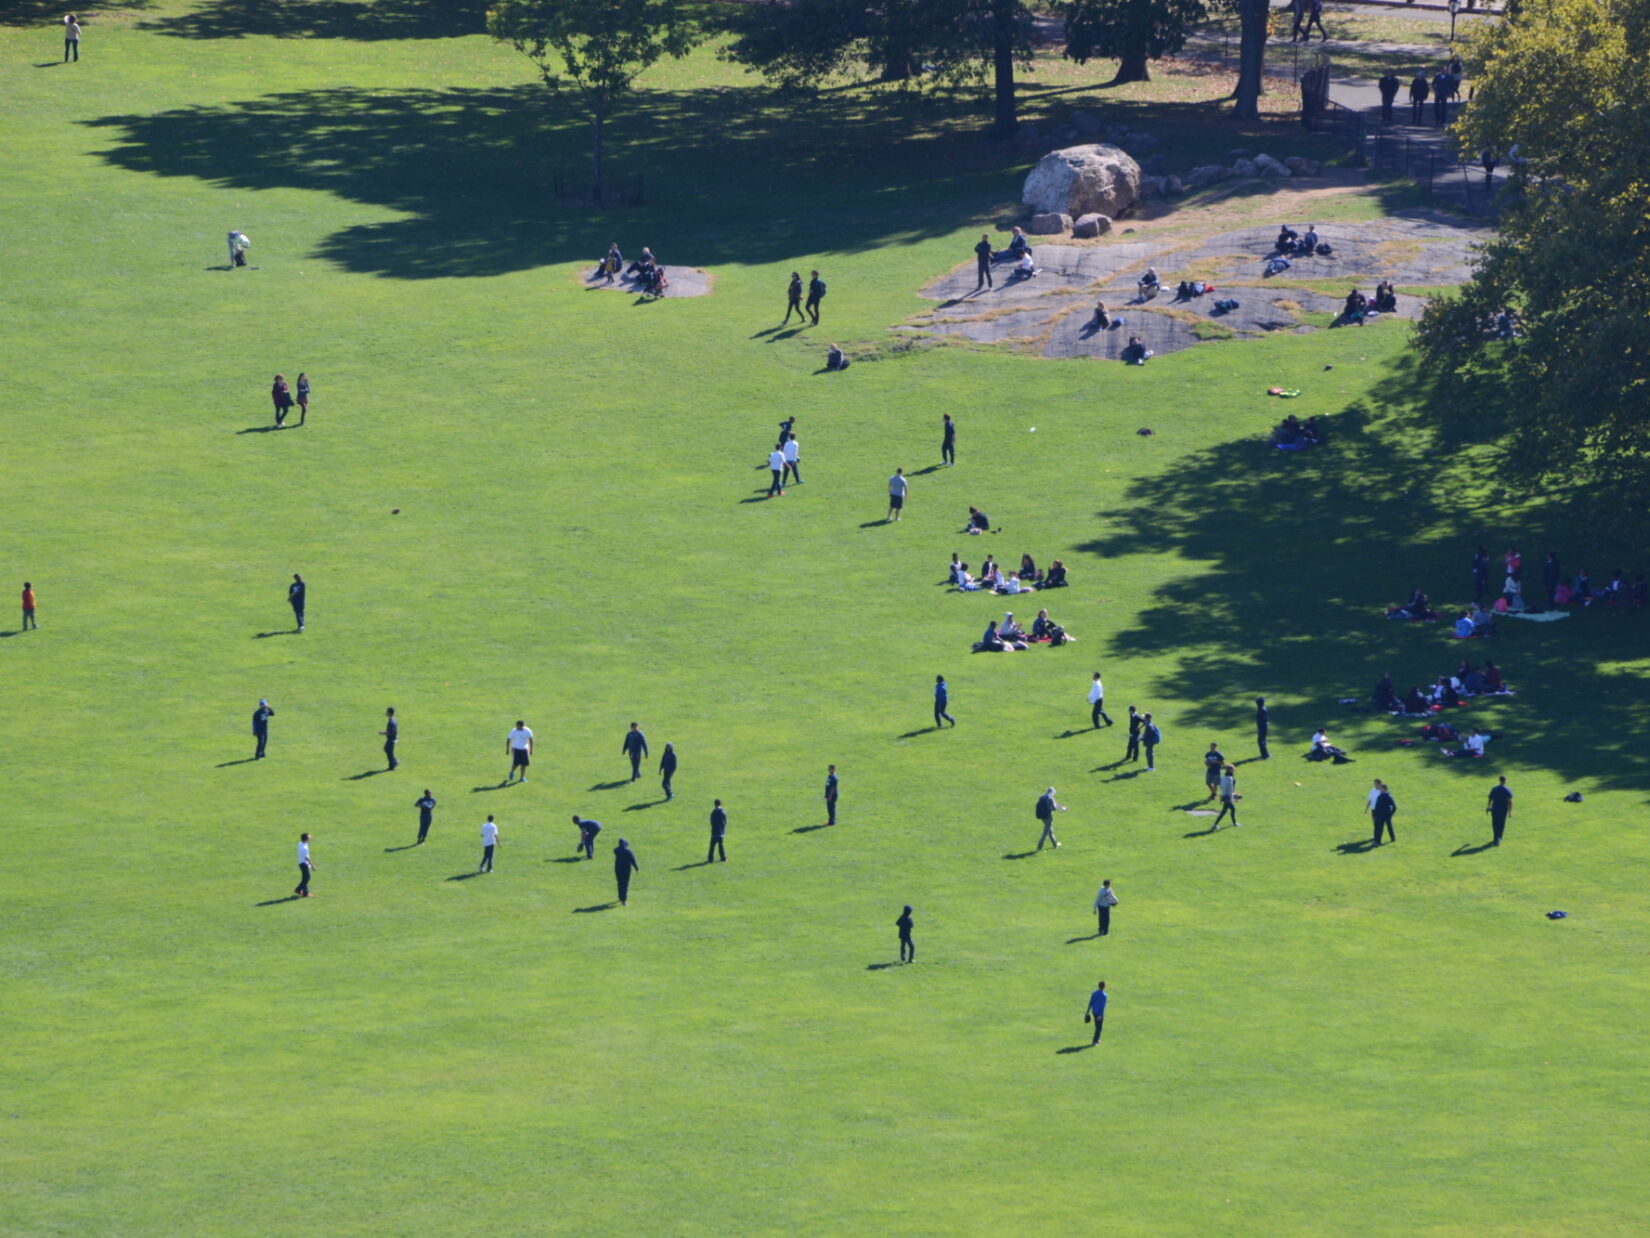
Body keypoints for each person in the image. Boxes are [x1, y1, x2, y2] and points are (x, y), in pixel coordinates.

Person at [1486, 775, 1512, 845]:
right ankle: (1498, 838)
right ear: (1505, 781)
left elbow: (1490, 798)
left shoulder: (1494, 789)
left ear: (1499, 780)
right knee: (1501, 824)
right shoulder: (1507, 790)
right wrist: (1509, 812)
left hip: (1495, 809)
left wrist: (1489, 806)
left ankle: (1496, 838)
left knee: (1495, 824)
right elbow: (1510, 802)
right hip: (1503, 809)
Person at [613, 838, 639, 905]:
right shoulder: (628, 852)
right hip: (626, 870)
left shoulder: (616, 850)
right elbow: (633, 861)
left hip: (618, 869)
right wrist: (637, 868)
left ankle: (620, 896)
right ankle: (623, 900)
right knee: (625, 885)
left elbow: (615, 849)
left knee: (619, 883)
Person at [1372, 780, 1396, 845]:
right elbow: (1376, 807)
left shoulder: (1388, 797)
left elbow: (1394, 807)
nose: (1380, 790)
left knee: (1389, 827)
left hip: (1386, 815)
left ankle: (1393, 838)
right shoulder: (1379, 797)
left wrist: (1390, 814)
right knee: (1379, 828)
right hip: (1380, 816)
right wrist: (1375, 815)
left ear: (1385, 789)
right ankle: (1378, 841)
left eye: (1381, 789)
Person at [1084, 981, 1107, 1045]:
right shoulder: (1104, 995)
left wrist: (1087, 1011)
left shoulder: (1094, 993)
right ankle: (1095, 1041)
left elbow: (1091, 1002)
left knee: (1097, 1026)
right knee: (1099, 1027)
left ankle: (1097, 1039)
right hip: (1099, 1013)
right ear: (1104, 987)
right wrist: (1100, 1015)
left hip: (1094, 1012)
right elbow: (1102, 1006)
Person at [295, 833, 315, 897]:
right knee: (307, 878)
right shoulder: (305, 848)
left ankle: (304, 892)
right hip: (304, 864)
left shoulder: (300, 843)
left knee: (305, 878)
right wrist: (312, 866)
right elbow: (306, 858)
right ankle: (299, 889)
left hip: (301, 863)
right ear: (306, 839)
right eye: (309, 838)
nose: (311, 838)